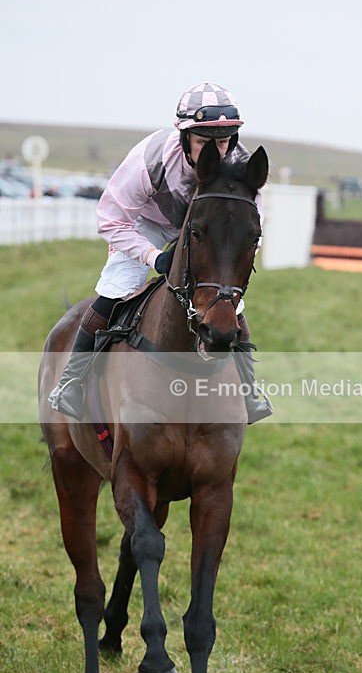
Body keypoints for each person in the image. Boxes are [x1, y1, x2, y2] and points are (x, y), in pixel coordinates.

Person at [48, 82, 272, 423]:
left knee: (231, 302)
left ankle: (249, 391)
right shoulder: (149, 160)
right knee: (116, 288)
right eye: (203, 142)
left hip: (203, 228)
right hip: (145, 223)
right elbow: (110, 220)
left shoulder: (241, 169)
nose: (216, 150)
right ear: (183, 137)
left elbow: (248, 225)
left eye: (224, 141)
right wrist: (154, 257)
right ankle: (71, 383)